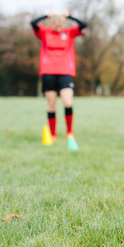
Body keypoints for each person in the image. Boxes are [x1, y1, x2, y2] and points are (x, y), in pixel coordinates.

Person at [31, 10, 87, 145]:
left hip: (65, 72)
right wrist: (46, 15)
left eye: (61, 23)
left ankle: (69, 132)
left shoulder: (69, 33)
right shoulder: (45, 32)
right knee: (51, 105)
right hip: (48, 71)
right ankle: (53, 134)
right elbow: (33, 23)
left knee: (68, 102)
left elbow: (83, 25)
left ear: (64, 23)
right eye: (56, 23)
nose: (58, 26)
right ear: (52, 23)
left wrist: (69, 16)